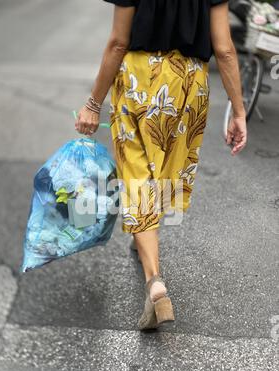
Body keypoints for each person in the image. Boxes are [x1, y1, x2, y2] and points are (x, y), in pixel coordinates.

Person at [75, 0, 247, 331]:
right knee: (164, 175)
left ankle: (155, 281)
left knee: (137, 179)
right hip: (189, 83)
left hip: (141, 79)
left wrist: (93, 103)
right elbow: (224, 49)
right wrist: (238, 111)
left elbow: (118, 42)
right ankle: (145, 236)